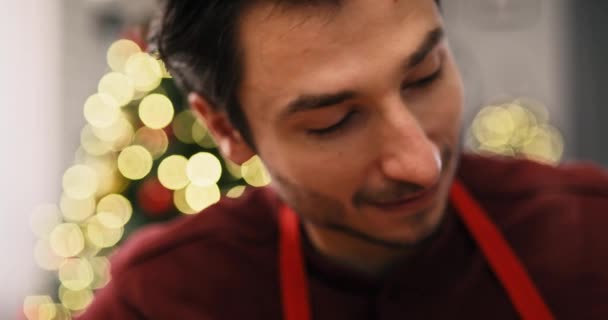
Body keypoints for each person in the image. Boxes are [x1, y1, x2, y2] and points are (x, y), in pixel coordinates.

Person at [79, 0, 608, 319]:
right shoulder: (159, 301)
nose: (420, 164)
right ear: (225, 129)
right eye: (332, 122)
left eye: (425, 76)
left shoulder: (592, 231)